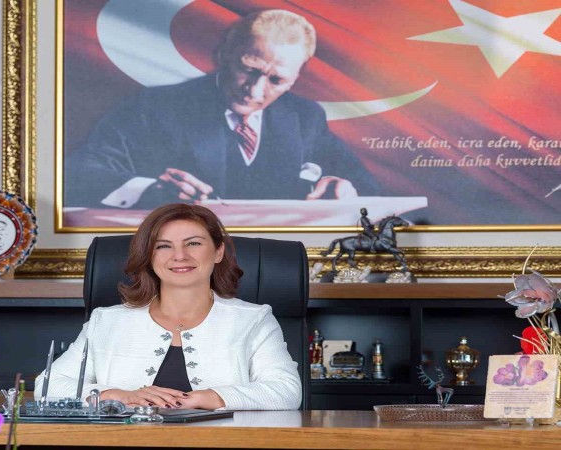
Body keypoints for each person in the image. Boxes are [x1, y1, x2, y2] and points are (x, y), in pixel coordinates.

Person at [66, 9, 378, 209]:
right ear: (225, 54)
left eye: (276, 80)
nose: (254, 91)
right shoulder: (154, 107)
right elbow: (78, 173)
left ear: (295, 79)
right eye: (249, 69)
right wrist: (151, 190)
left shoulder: (306, 117)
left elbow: (367, 187)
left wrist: (346, 190)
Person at [34, 204, 302, 410]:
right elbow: (47, 386)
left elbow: (287, 391)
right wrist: (119, 395)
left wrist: (209, 397)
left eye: (193, 243)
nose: (179, 256)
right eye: (163, 246)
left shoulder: (253, 319)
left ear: (218, 252)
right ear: (149, 257)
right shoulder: (106, 321)